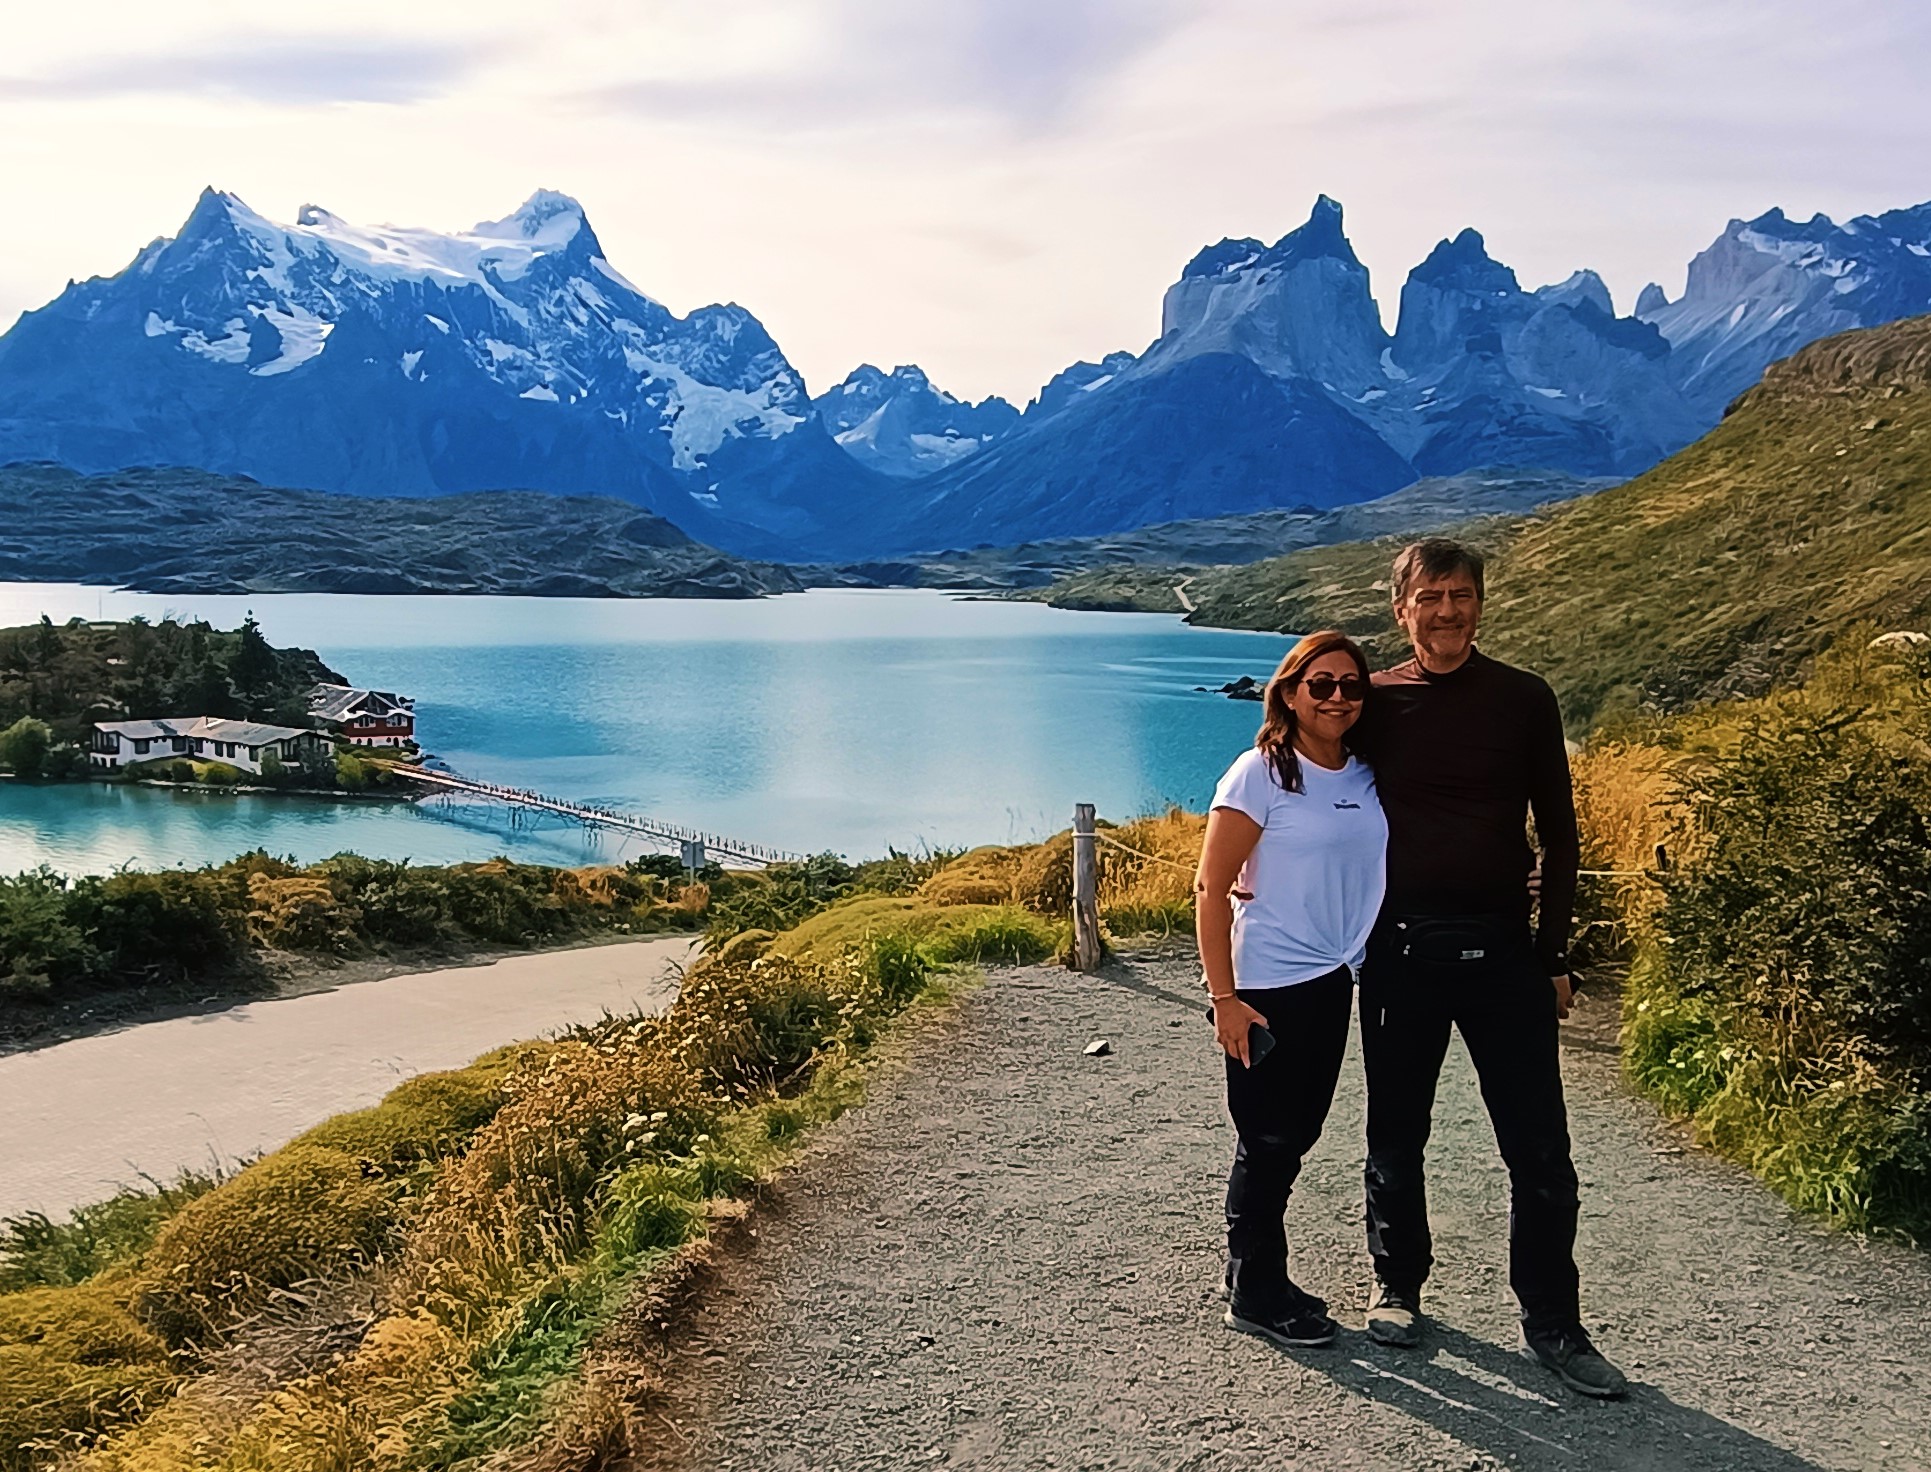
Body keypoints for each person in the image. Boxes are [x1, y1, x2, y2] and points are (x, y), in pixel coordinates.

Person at [1346, 537, 1627, 1399]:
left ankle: (1554, 1324)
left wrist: (1553, 955)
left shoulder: (1523, 698)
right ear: (1400, 608)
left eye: (1460, 594)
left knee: (1539, 1148)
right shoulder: (1373, 703)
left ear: (1479, 602)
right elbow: (1309, 794)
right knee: (1396, 1133)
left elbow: (1561, 836)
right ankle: (1396, 1286)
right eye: (1429, 597)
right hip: (1400, 953)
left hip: (1505, 953)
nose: (1446, 611)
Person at [1195, 630, 1387, 1349]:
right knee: (1268, 1139)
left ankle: (1251, 1273)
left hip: (1334, 977)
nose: (1337, 697)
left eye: (1351, 685)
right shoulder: (1260, 773)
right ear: (1289, 692)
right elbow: (1211, 888)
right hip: (1268, 982)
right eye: (1321, 684)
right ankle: (1254, 1293)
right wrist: (1224, 998)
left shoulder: (1364, 774)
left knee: (1295, 1134)